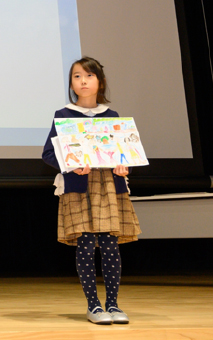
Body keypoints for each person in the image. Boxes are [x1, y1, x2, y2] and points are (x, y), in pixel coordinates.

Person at [41, 56, 141, 325]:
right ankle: (93, 305)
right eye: (77, 76)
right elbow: (49, 154)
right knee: (85, 245)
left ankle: (113, 304)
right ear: (71, 83)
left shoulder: (112, 116)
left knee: (110, 244)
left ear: (100, 81)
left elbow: (124, 154)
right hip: (77, 188)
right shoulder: (62, 115)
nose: (83, 81)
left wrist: (124, 166)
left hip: (108, 186)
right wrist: (71, 166)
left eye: (89, 75)